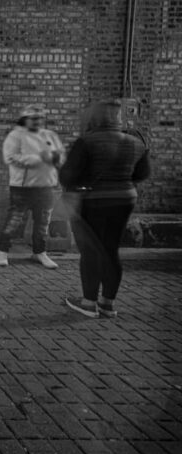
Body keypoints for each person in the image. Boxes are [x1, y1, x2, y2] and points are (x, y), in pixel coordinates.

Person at [60, 100, 150, 318]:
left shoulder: (87, 141)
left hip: (94, 200)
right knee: (111, 250)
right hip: (125, 199)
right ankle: (107, 303)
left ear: (94, 118)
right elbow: (142, 174)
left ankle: (88, 303)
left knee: (91, 251)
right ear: (118, 118)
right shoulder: (135, 142)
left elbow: (68, 176)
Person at [0, 104, 65, 268]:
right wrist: (39, 158)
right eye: (33, 118)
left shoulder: (50, 135)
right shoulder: (16, 136)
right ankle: (2, 252)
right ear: (25, 119)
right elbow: (10, 157)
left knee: (43, 223)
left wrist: (56, 159)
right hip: (23, 187)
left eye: (40, 118)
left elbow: (60, 156)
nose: (37, 121)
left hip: (46, 186)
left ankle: (40, 252)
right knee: (14, 220)